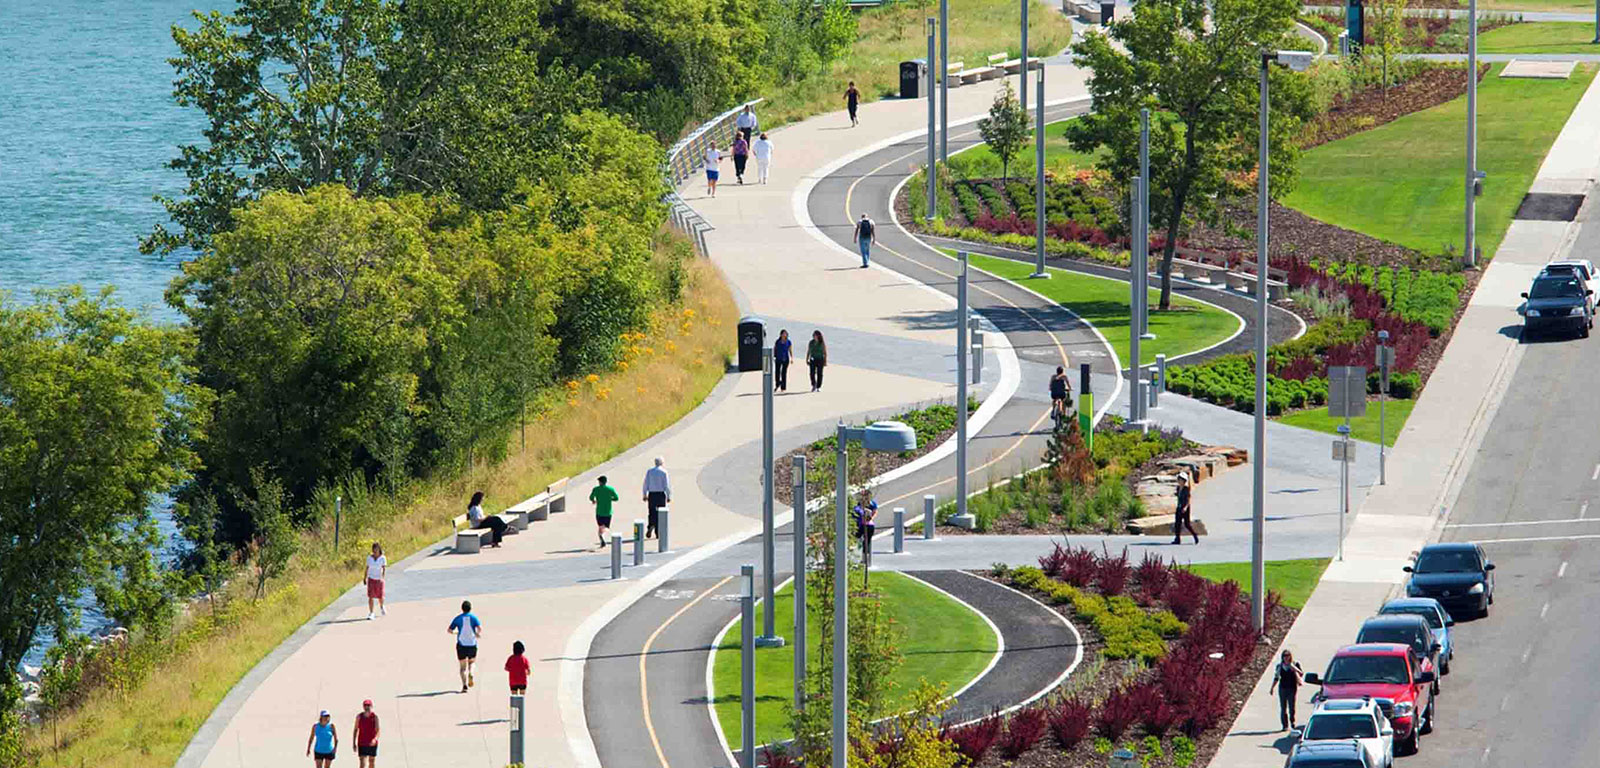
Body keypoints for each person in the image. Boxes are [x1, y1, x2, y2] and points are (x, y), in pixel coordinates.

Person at [448, 600, 483, 693]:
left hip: (461, 645)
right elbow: (479, 628)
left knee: (462, 668)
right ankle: (471, 673)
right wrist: (476, 634)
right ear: (470, 608)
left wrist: (456, 632)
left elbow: (449, 630)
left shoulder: (458, 618)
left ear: (462, 609)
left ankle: (464, 686)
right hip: (472, 644)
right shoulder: (473, 618)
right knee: (472, 662)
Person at [1268, 649, 1305, 731]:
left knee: (1292, 707)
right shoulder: (1280, 666)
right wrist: (1272, 688)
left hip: (1292, 688)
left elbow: (1301, 674)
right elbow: (1276, 677)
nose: (1286, 657)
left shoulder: (1295, 664)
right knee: (1283, 707)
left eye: (1288, 655)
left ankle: (1292, 722)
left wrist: (1294, 668)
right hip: (1283, 688)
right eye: (1284, 656)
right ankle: (1285, 725)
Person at [641, 458, 671, 540]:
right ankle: (658, 532)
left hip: (652, 494)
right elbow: (666, 485)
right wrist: (668, 496)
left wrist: (644, 494)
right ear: (662, 463)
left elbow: (645, 483)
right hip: (661, 494)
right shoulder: (664, 472)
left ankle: (651, 525)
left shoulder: (650, 471)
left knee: (651, 512)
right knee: (660, 513)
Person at [590, 475, 620, 548]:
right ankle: (603, 535)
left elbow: (591, 497)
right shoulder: (610, 489)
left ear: (600, 482)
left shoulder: (596, 489)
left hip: (599, 511)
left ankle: (601, 537)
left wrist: (594, 501)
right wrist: (610, 499)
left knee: (600, 526)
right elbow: (616, 498)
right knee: (606, 527)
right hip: (608, 511)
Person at [1172, 474, 1199, 545]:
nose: (1179, 481)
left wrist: (1185, 507)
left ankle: (1195, 535)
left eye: (1180, 479)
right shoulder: (1178, 488)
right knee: (1177, 524)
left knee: (1187, 524)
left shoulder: (1186, 489)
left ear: (1183, 481)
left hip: (1185, 508)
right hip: (1179, 507)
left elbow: (1188, 499)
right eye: (1179, 479)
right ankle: (1177, 539)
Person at [352, 700, 379, 768]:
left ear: (371, 706)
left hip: (372, 743)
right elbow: (355, 729)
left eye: (368, 706)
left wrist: (375, 739)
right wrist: (354, 743)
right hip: (362, 742)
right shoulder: (359, 717)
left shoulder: (375, 717)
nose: (367, 707)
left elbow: (378, 731)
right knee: (362, 763)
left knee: (371, 761)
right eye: (365, 706)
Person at [853, 489, 878, 558]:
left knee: (866, 542)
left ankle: (865, 557)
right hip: (860, 524)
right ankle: (858, 552)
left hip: (868, 524)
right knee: (856, 538)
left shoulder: (872, 504)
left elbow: (875, 512)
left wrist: (871, 518)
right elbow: (856, 512)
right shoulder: (859, 504)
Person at [364, 542, 387, 620]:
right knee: (371, 596)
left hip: (379, 579)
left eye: (376, 549)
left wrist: (382, 577)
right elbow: (367, 568)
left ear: (379, 549)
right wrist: (365, 577)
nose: (375, 551)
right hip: (371, 578)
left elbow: (384, 568)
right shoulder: (369, 558)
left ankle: (382, 606)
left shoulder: (383, 558)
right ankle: (371, 613)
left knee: (380, 596)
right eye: (373, 549)